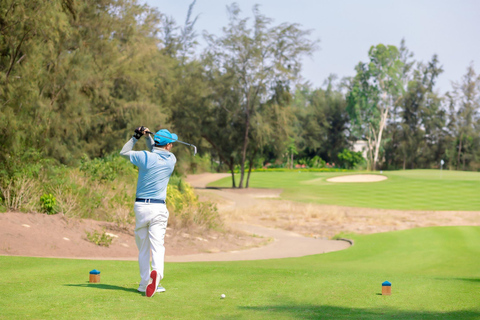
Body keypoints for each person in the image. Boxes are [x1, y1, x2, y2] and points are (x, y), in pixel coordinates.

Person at [119, 126, 177, 297]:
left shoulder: (144, 157)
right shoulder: (171, 160)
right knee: (157, 245)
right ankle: (156, 276)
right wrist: (149, 138)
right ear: (167, 146)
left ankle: (144, 283)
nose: (172, 146)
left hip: (141, 207)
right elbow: (156, 150)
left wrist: (137, 136)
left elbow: (124, 152)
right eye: (171, 143)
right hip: (158, 208)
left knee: (143, 248)